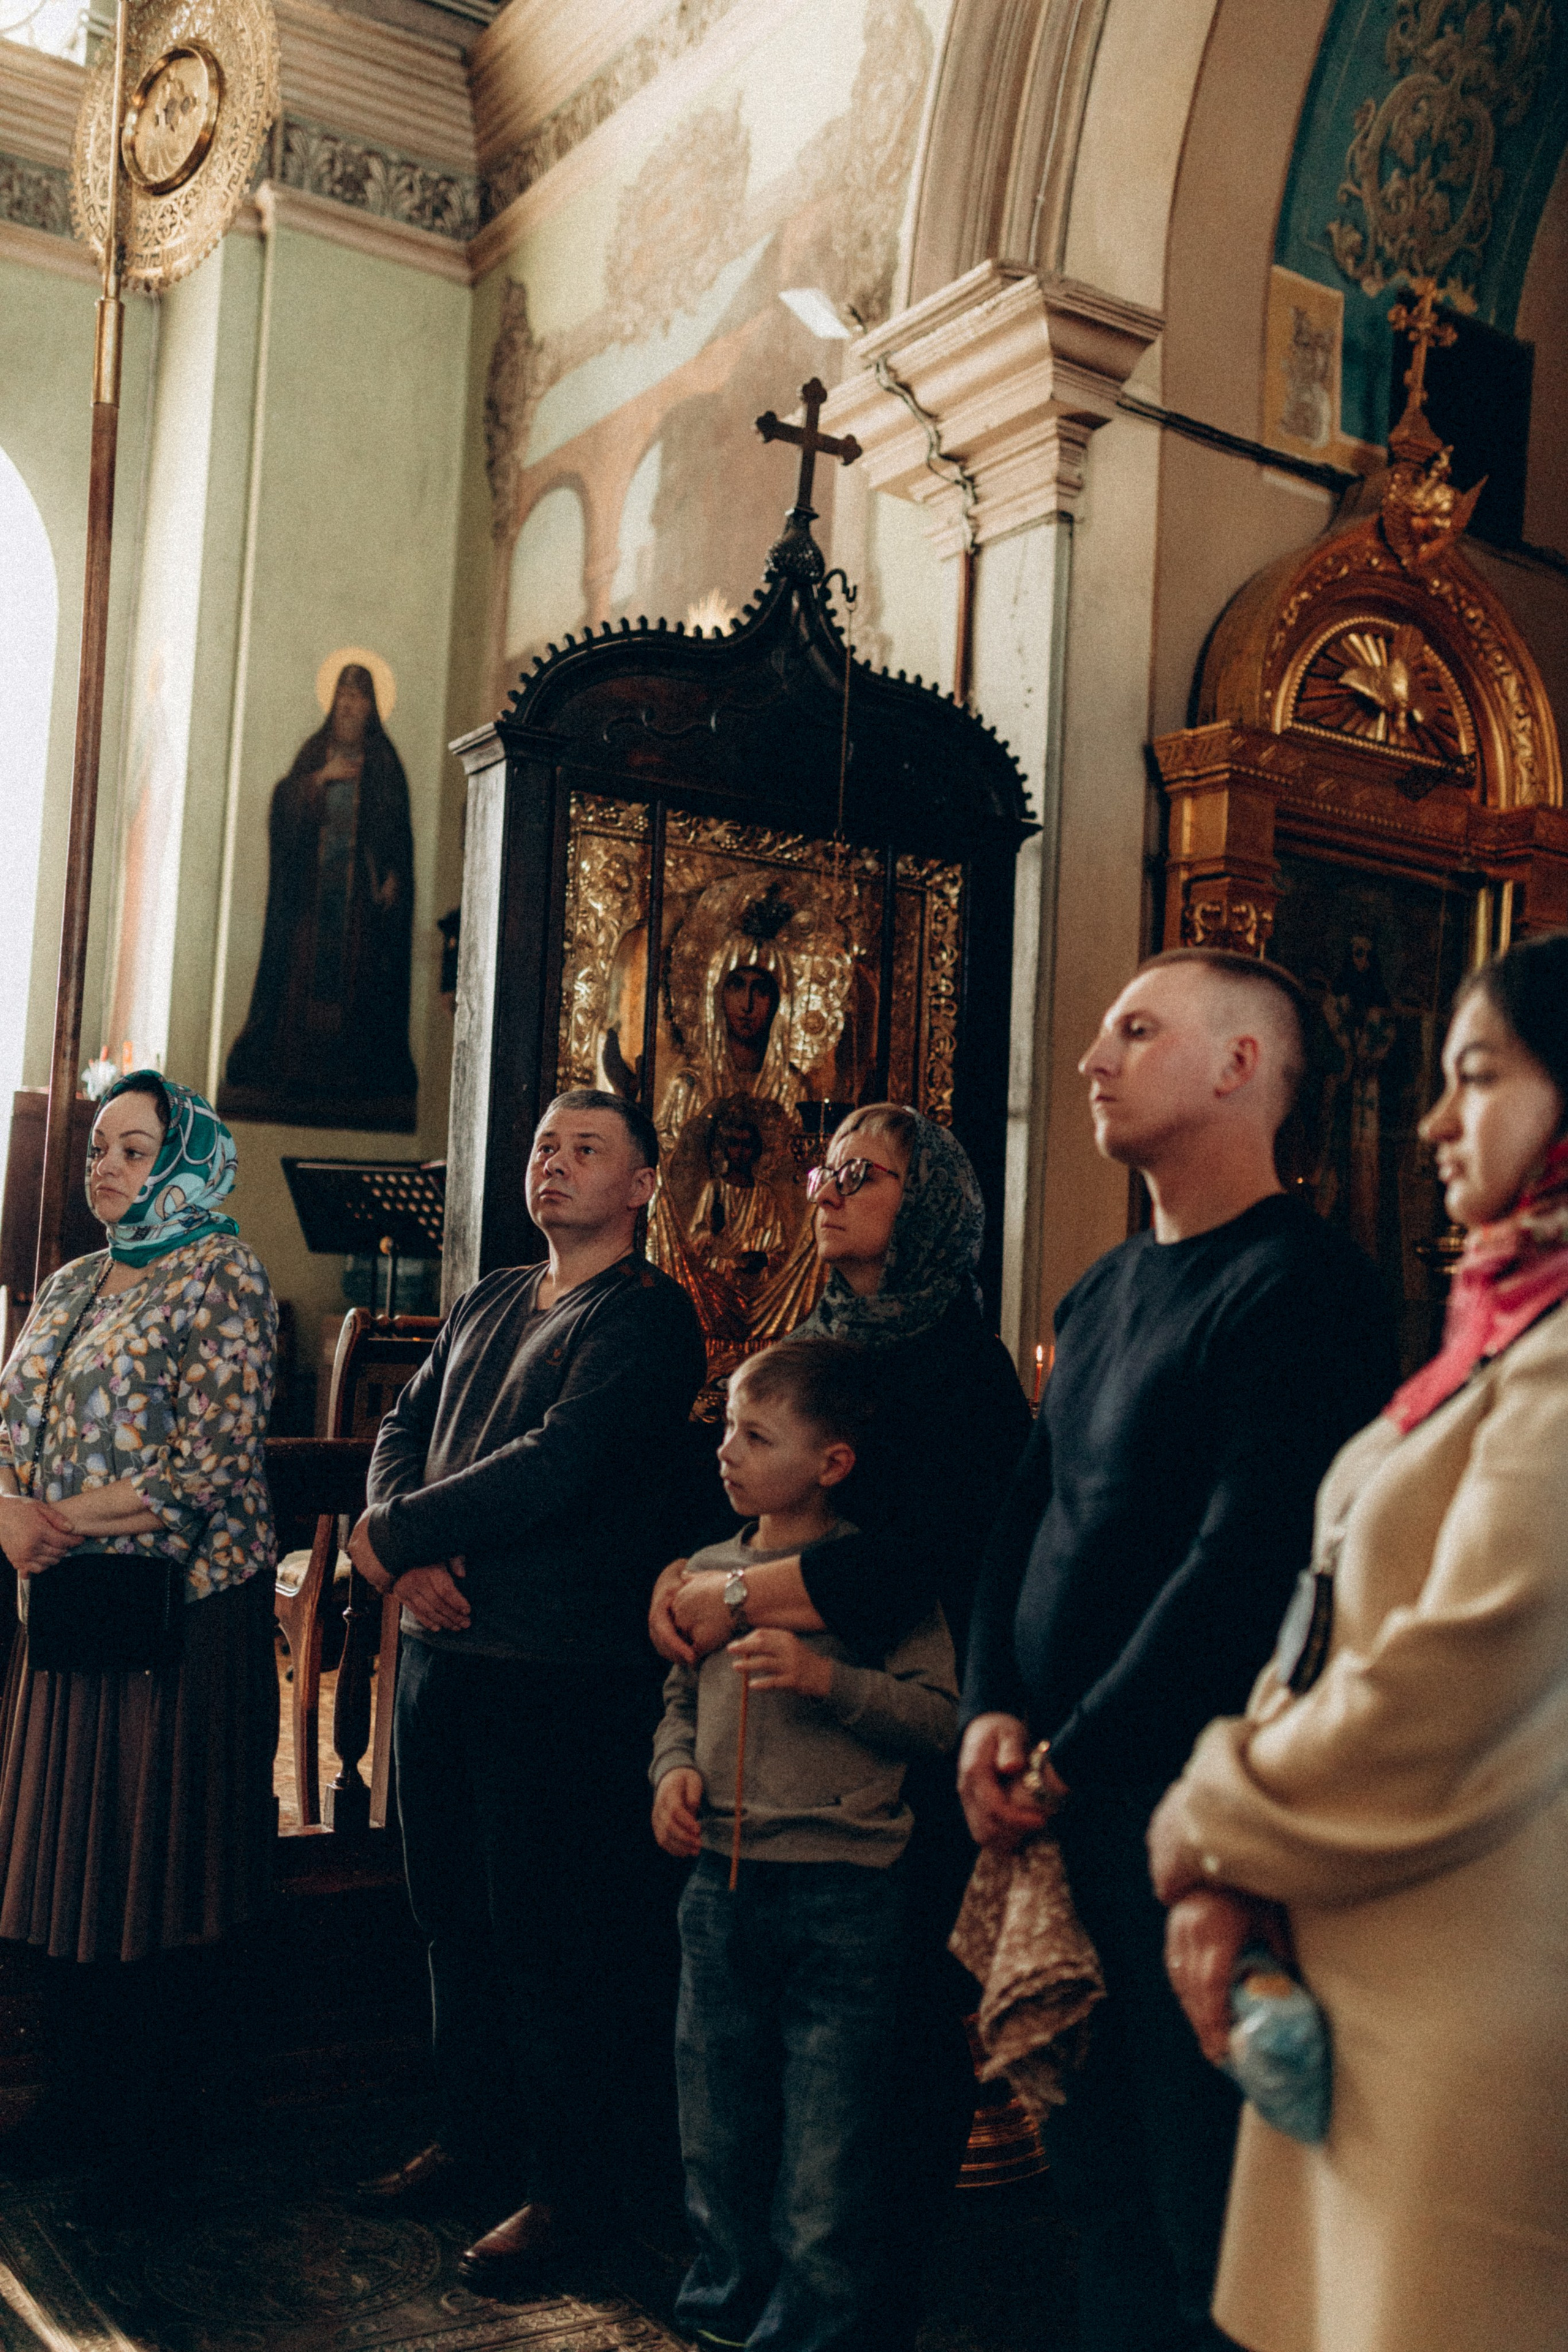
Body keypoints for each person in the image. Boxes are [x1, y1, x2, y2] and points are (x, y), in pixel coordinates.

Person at [957, 949, 1397, 2352]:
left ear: (1238, 1067)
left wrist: (1067, 1753)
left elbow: (1243, 1564)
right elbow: (1023, 1511)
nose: (1091, 1058)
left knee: (1198, 2196)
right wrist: (983, 1708)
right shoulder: (1098, 1292)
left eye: (1133, 1029)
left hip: (1185, 1815)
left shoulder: (1309, 1286)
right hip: (1058, 1793)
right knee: (1091, 2188)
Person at [1149, 929, 1568, 2352]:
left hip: (1475, 2004)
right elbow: (1329, 1607)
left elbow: (1450, 1677)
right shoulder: (1496, 1335)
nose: (1436, 1121)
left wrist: (1211, 1818)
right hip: (1368, 1976)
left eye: (1477, 1078)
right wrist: (1237, 1859)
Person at [650, 1104, 1031, 2346]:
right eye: (826, 1166)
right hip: (758, 1806)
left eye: (859, 1174)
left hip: (898, 1764)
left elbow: (917, 1566)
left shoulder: (959, 1368)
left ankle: (855, 2311)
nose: (827, 1187)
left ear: (921, 1209)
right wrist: (687, 1580)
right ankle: (749, 2291)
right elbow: (742, 1501)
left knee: (873, 2078)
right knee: (742, 2088)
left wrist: (728, 1599)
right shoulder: (821, 1335)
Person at [347, 1087, 706, 2293]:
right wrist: (402, 1541)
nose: (554, 1164)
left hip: (557, 1674)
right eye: (546, 1146)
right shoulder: (496, 1295)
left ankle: (570, 2188)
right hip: (448, 1657)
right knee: (450, 1917)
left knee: (551, 1936)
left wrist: (395, 1534)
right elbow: (406, 1420)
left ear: (641, 1185)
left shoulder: (648, 1317)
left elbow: (557, 1465)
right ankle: (473, 2135)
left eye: (586, 1149)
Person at [0, 1072, 278, 2217]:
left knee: (153, 1859)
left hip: (179, 1612)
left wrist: (58, 1523)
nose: (105, 1169)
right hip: (66, 1608)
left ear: (185, 1159)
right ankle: (71, 2102)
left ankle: (155, 2131)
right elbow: (11, 1425)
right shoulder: (69, 1280)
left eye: (132, 1149)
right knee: (67, 1856)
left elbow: (211, 1466)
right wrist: (10, 1511)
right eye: (98, 1150)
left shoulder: (226, 1270)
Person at [652, 1334, 959, 2352]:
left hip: (846, 1892)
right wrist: (675, 1772)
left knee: (827, 2146)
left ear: (832, 1462)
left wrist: (830, 1680)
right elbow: (680, 1700)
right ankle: (720, 2308)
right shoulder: (705, 1570)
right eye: (728, 1428)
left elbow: (939, 1718)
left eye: (755, 1434)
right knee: (717, 2131)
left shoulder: (872, 1580)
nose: (726, 1451)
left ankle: (811, 2331)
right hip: (720, 1886)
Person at [222, 662, 418, 1126]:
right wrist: (318, 781)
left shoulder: (384, 763)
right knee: (301, 983)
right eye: (344, 697)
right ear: (334, 703)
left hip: (358, 911)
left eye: (359, 699)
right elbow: (284, 805)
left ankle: (349, 1078)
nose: (350, 706)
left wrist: (394, 875)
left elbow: (397, 833)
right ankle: (296, 1071)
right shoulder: (315, 753)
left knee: (357, 985)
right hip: (312, 902)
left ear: (371, 708)